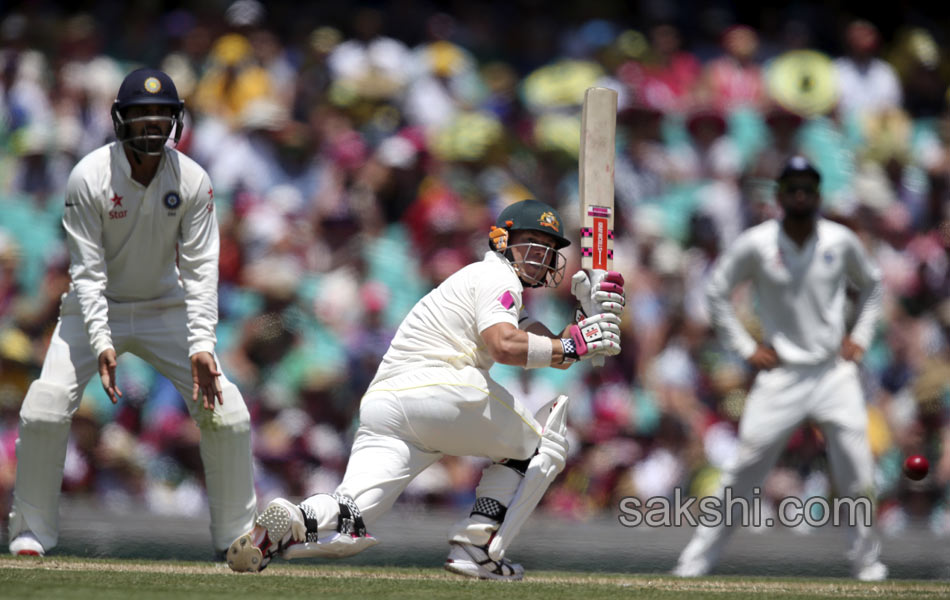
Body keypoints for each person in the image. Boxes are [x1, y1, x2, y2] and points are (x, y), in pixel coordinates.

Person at [225, 199, 625, 579]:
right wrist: (575, 343)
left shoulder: (486, 285)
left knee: (353, 512)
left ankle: (291, 520)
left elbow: (539, 344)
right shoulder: (496, 276)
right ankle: (475, 549)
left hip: (386, 404)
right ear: (502, 241)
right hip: (440, 388)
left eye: (549, 250)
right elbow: (503, 346)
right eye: (533, 246)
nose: (541, 258)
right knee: (543, 447)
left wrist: (582, 326)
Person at [7, 68, 257, 558]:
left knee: (229, 414)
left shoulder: (193, 180)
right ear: (120, 120)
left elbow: (203, 269)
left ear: (175, 121)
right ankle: (30, 532)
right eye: (141, 115)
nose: (152, 124)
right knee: (44, 404)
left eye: (162, 115)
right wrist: (101, 341)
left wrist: (203, 344)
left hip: (167, 309)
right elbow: (87, 272)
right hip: (90, 310)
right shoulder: (89, 178)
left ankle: (236, 538)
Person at [672, 156, 888, 581]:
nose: (801, 195)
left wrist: (860, 337)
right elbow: (716, 293)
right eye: (793, 187)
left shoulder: (839, 241)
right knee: (743, 468)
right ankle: (694, 563)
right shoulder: (758, 243)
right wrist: (746, 347)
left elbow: (874, 287)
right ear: (780, 195)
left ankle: (867, 564)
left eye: (808, 187)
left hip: (831, 372)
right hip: (781, 373)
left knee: (857, 468)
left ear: (819, 194)